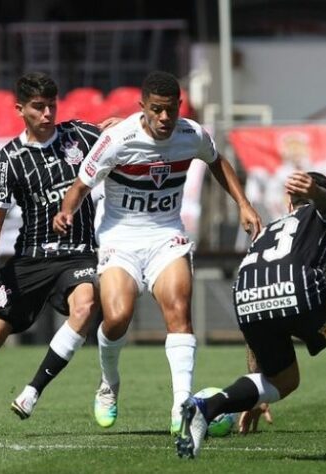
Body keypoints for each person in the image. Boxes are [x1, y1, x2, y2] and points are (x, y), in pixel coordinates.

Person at [54, 70, 262, 433]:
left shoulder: (191, 134)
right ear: (143, 108)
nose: (165, 118)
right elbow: (82, 183)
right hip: (120, 239)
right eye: (157, 110)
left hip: (166, 236)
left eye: (171, 109)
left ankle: (182, 406)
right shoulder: (118, 140)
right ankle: (109, 384)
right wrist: (66, 211)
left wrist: (243, 203)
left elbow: (217, 161)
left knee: (179, 311)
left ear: (179, 106)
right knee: (117, 317)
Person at [0, 72, 115, 437]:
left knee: (86, 306)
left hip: (77, 255)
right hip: (30, 259)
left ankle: (33, 390)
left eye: (51, 105)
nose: (47, 113)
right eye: (38, 107)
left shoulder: (80, 135)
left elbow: (122, 132)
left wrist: (122, 125)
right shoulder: (9, 158)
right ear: (20, 110)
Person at [175, 171, 326, 460]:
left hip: (246, 293)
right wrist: (318, 195)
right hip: (295, 284)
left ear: (289, 203)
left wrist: (255, 387)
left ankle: (206, 406)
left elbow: (255, 327)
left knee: (282, 381)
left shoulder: (269, 229)